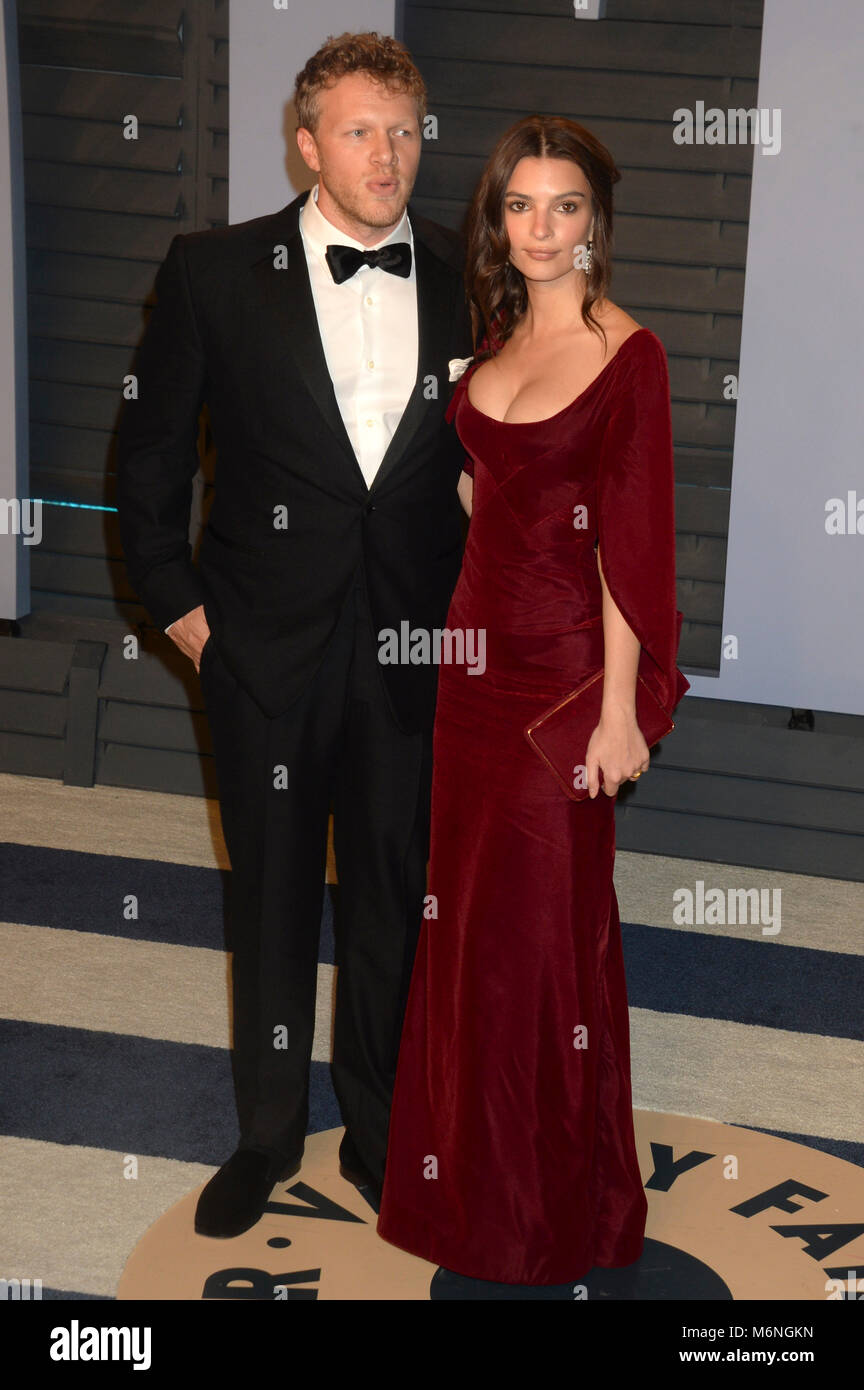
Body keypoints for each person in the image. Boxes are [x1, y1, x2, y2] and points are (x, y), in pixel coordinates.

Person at [116, 32, 472, 1238]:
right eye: (362, 131)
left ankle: (380, 1131)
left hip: (411, 659)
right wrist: (186, 617)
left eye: (407, 129)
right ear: (307, 142)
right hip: (261, 653)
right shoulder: (215, 269)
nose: (390, 154)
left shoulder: (470, 271)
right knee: (269, 902)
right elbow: (150, 461)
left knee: (393, 899)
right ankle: (266, 1134)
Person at [377, 115, 690, 1288]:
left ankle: (558, 1210)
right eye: (522, 207)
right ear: (496, 221)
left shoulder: (631, 355)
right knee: (466, 941)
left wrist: (618, 710)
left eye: (565, 207)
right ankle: (466, 1193)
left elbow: (629, 545)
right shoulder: (493, 345)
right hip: (471, 676)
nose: (543, 228)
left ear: (595, 220)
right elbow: (483, 493)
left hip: (561, 687)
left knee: (548, 946)